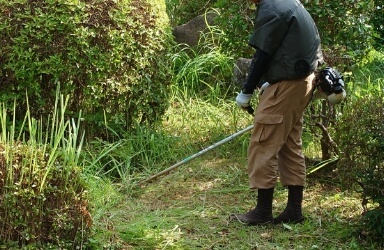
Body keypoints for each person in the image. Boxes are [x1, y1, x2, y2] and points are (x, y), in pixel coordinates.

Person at [232, 0, 324, 225]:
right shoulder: (288, 3)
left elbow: (262, 54)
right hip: (301, 81)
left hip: (288, 85)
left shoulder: (272, 8)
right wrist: (268, 82)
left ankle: (262, 212)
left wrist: (246, 91)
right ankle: (294, 210)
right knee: (290, 144)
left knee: (264, 141)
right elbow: (284, 49)